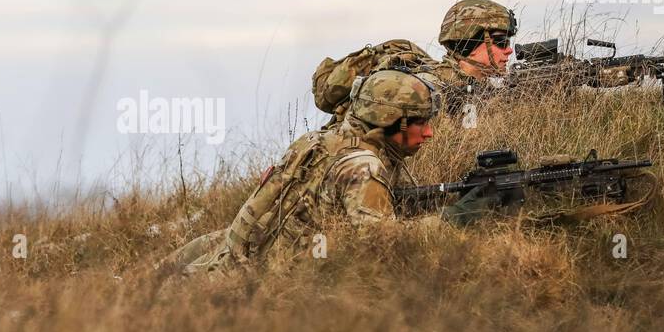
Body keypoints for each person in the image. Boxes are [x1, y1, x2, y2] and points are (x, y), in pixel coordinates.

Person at [164, 69, 491, 275]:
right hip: (262, 287)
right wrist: (455, 218)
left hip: (232, 257)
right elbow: (385, 245)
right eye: (421, 123)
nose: (430, 133)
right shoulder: (363, 168)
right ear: (392, 122)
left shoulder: (320, 140)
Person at [312, 0, 518, 121]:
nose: (508, 51)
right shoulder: (430, 88)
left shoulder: (473, 88)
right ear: (470, 43)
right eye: (501, 42)